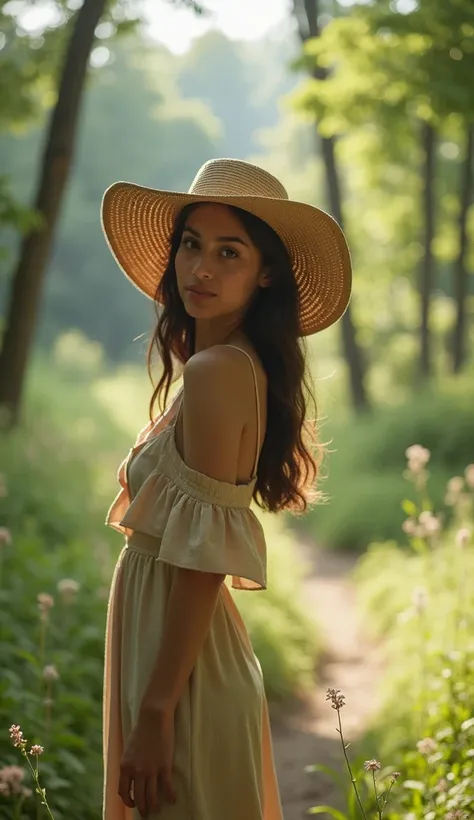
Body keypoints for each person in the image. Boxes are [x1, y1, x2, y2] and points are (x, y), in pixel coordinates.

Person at [100, 158, 351, 820]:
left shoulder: (219, 371)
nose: (201, 268)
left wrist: (156, 712)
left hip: (182, 679)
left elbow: (203, 557)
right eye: (190, 244)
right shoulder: (217, 366)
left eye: (228, 251)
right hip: (170, 660)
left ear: (264, 271)